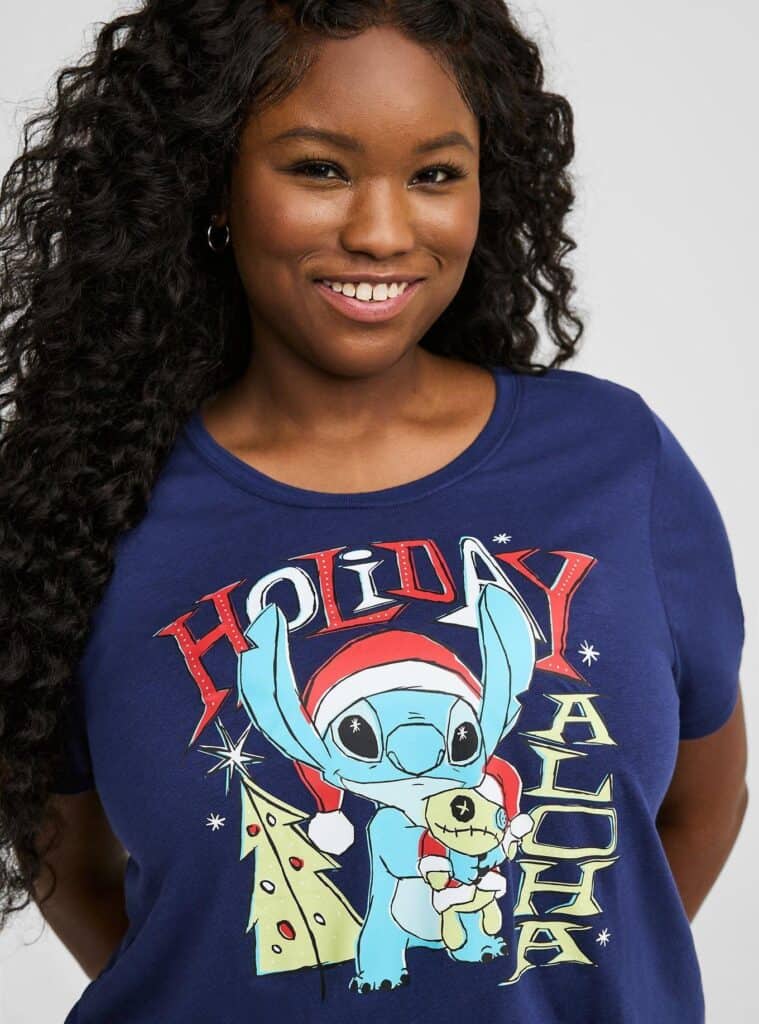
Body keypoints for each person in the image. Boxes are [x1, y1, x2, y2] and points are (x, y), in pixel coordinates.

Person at [0, 2, 747, 1022]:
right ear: (211, 185)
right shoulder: (88, 508)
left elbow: (703, 804)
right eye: (320, 169)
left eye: (434, 174)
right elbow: (67, 859)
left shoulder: (616, 461)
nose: (383, 232)